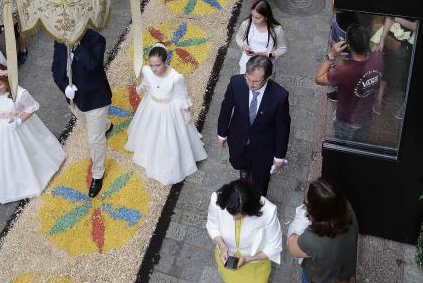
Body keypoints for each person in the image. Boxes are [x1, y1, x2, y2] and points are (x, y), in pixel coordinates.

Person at [0, 65, 65, 204]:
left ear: (6, 81)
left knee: (25, 151)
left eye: (0, 84)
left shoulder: (19, 93)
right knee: (3, 155)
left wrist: (19, 120)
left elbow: (31, 107)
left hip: (17, 127)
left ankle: (31, 178)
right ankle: (6, 184)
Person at [125, 44, 206, 184]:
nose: (154, 68)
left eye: (158, 65)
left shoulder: (176, 78)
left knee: (170, 137)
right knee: (149, 133)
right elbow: (146, 83)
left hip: (170, 110)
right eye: (152, 65)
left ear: (165, 61)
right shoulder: (147, 71)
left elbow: (182, 97)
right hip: (151, 106)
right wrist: (139, 88)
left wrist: (187, 114)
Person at [218, 55, 291, 196]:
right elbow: (226, 108)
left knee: (261, 182)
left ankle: (258, 204)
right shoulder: (236, 83)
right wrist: (222, 133)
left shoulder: (280, 96)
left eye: (256, 82)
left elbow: (283, 129)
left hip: (264, 149)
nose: (250, 85)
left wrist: (279, 157)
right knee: (243, 170)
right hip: (239, 141)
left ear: (267, 77)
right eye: (248, 78)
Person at [52, 29, 112, 197]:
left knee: (95, 140)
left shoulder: (96, 39)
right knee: (93, 126)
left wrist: (77, 46)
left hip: (96, 98)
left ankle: (98, 174)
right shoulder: (59, 41)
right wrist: (65, 87)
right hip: (75, 99)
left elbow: (93, 64)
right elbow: (56, 69)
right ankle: (106, 125)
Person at [206, 177, 282, 283]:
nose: (235, 219)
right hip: (227, 260)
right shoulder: (217, 199)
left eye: (239, 216)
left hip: (254, 265)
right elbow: (212, 225)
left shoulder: (268, 211)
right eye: (232, 214)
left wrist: (248, 259)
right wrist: (222, 246)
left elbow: (275, 246)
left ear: (251, 209)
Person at [287, 178, 358, 283]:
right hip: (344, 273)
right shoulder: (348, 208)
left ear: (314, 212)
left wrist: (300, 217)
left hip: (321, 282)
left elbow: (292, 247)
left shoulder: (313, 239)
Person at [315, 23, 383, 142]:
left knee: (342, 147)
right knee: (359, 145)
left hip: (346, 119)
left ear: (348, 46)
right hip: (366, 115)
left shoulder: (343, 71)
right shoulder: (378, 58)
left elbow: (318, 79)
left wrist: (331, 55)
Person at [235, 0, 287, 74]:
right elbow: (238, 38)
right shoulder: (246, 24)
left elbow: (283, 49)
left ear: (266, 17)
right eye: (252, 16)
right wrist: (243, 46)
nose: (254, 20)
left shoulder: (277, 30)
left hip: (266, 68)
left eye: (258, 18)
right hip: (246, 64)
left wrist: (268, 54)